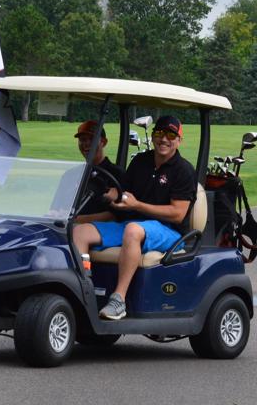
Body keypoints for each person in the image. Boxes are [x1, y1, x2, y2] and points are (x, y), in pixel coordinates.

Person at [72, 115, 196, 320]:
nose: (164, 139)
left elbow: (178, 213)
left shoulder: (183, 170)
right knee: (80, 232)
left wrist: (137, 205)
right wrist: (114, 195)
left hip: (168, 231)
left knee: (133, 230)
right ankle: (83, 291)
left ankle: (118, 299)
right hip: (133, 224)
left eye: (171, 135)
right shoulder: (141, 161)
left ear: (179, 140)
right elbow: (125, 193)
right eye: (159, 133)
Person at [70, 120, 127, 222]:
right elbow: (58, 207)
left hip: (100, 231)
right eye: (82, 140)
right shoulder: (71, 174)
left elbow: (114, 215)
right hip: (68, 227)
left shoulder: (117, 174)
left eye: (92, 139)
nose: (86, 144)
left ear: (103, 142)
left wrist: (76, 220)